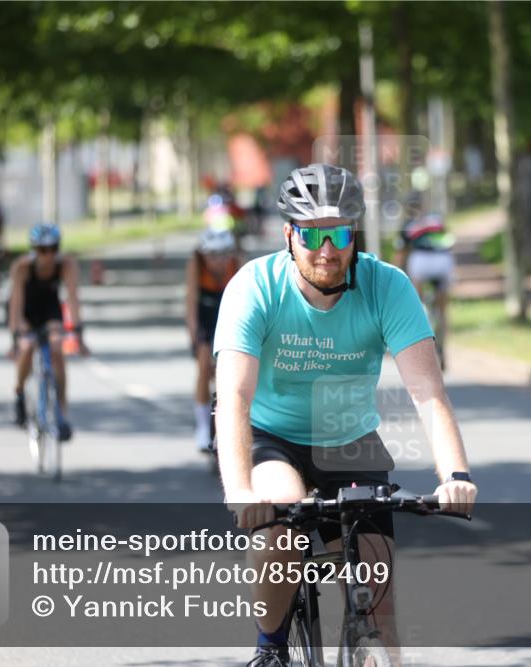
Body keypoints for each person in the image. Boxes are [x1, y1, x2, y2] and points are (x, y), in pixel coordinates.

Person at [213, 164, 477, 666]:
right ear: (289, 234)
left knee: (380, 605)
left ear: (354, 234)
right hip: (273, 435)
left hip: (347, 438)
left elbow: (428, 392)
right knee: (282, 518)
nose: (327, 250)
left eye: (338, 233)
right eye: (312, 234)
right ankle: (269, 648)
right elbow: (235, 400)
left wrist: (455, 475)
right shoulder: (255, 287)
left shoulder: (388, 287)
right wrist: (240, 491)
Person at [7, 223, 88, 441]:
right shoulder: (22, 267)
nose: (48, 256)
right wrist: (15, 337)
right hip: (26, 311)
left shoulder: (66, 265)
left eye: (53, 249)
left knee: (56, 350)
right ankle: (19, 393)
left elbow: (72, 299)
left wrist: (79, 333)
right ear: (34, 250)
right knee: (27, 346)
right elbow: (16, 305)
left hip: (50, 310)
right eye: (42, 250)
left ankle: (61, 416)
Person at [185, 228, 242, 452]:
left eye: (222, 254)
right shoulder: (196, 265)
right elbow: (190, 302)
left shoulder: (237, 264)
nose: (217, 261)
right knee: (203, 366)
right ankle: (201, 426)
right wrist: (194, 336)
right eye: (212, 255)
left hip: (229, 312)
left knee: (228, 369)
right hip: (205, 314)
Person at [393, 191, 456, 368]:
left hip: (421, 263)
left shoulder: (407, 225)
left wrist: (396, 278)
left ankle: (422, 314)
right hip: (444, 262)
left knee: (417, 304)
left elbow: (400, 255)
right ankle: (443, 345)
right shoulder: (437, 219)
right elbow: (448, 241)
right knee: (443, 310)